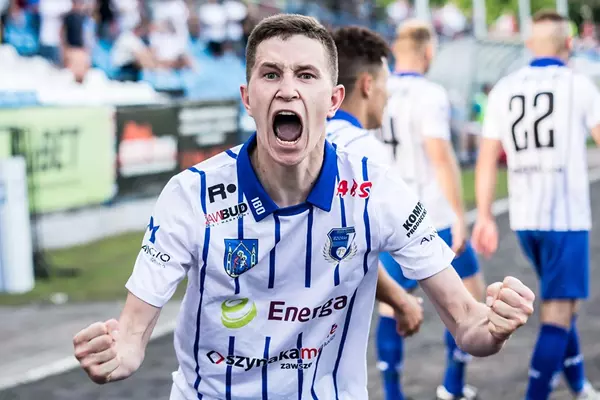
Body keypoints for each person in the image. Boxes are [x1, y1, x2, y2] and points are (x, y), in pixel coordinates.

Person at [72, 14, 535, 400]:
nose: (288, 89)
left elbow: (468, 325)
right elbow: (131, 338)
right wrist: (118, 354)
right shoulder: (189, 194)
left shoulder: (379, 191)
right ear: (248, 98)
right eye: (271, 74)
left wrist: (494, 325)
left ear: (334, 100)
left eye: (306, 75)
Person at [473, 10, 600, 400]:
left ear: (529, 45)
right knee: (558, 311)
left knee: (561, 302)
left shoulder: (505, 88)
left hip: (525, 218)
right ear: (569, 44)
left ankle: (579, 384)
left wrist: (483, 216)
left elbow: (486, 157)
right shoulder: (579, 84)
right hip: (565, 218)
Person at [373, 19, 485, 400]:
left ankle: (393, 393)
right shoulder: (430, 94)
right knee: (470, 296)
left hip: (389, 215)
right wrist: (460, 216)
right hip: (431, 215)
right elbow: (439, 156)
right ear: (429, 51)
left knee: (391, 307)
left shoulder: (379, 89)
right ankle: (453, 384)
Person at [326, 25, 425, 338]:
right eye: (385, 83)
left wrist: (399, 300)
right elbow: (344, 248)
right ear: (367, 85)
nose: (388, 93)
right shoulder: (365, 151)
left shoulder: (298, 140)